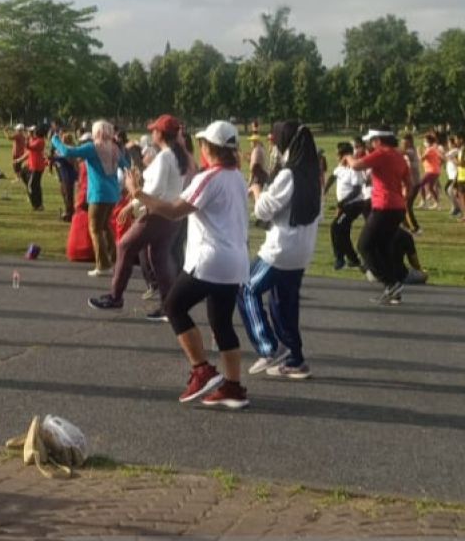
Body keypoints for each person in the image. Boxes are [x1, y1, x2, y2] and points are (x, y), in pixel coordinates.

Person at [128, 120, 250, 409]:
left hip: (210, 259)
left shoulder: (210, 178)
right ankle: (232, 386)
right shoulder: (237, 177)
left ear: (209, 148)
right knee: (221, 323)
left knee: (173, 306)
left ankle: (202, 369)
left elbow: (173, 211)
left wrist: (137, 193)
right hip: (235, 261)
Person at [240, 121, 322, 380]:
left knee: (246, 289)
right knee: (283, 305)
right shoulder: (313, 175)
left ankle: (268, 347)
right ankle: (295, 359)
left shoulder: (289, 174)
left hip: (280, 249)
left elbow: (263, 209)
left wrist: (256, 191)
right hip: (301, 250)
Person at [89, 114, 189, 316]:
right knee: (159, 257)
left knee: (125, 245)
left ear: (161, 134)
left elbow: (155, 191)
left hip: (158, 214)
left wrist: (132, 196)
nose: (151, 132)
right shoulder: (178, 156)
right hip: (171, 215)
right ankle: (169, 306)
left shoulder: (165, 157)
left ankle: (116, 296)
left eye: (154, 130)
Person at [51, 120, 128, 277]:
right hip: (113, 193)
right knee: (106, 226)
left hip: (98, 194)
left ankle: (103, 264)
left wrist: (55, 140)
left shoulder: (93, 148)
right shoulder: (114, 148)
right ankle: (115, 259)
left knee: (95, 229)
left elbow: (67, 152)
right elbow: (126, 164)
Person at [349, 128, 410, 305]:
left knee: (365, 245)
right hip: (398, 207)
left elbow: (356, 165)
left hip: (384, 206)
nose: (370, 144)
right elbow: (410, 183)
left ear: (378, 140)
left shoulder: (381, 153)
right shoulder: (398, 156)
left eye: (372, 140)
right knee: (383, 248)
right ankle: (394, 291)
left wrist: (348, 156)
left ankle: (390, 283)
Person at [325, 142, 367, 271]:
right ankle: (353, 259)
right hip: (345, 205)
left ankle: (339, 259)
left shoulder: (353, 169)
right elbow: (333, 176)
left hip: (354, 204)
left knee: (335, 227)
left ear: (345, 155)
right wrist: (324, 190)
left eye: (338, 154)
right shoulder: (340, 167)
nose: (336, 156)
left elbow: (357, 190)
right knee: (343, 232)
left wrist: (342, 202)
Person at [14, 126, 49, 211]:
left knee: (32, 186)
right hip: (30, 165)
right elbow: (28, 153)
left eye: (34, 131)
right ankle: (37, 202)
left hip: (37, 167)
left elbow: (29, 147)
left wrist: (27, 137)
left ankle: (37, 205)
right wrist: (19, 160)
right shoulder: (34, 140)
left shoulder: (40, 141)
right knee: (24, 175)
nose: (33, 133)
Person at [400, 133, 422, 233]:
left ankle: (415, 227)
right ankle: (405, 225)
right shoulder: (408, 152)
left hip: (414, 183)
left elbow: (403, 152)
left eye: (405, 142)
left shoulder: (411, 151)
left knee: (407, 205)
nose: (403, 143)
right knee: (402, 205)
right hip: (410, 183)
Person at [417, 133, 443, 210]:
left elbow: (421, 159)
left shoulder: (430, 149)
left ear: (428, 142)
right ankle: (438, 204)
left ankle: (424, 202)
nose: (424, 142)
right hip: (434, 171)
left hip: (431, 171)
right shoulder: (431, 149)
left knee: (420, 184)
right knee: (430, 188)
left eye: (425, 141)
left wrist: (418, 151)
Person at [5, 123, 28, 189]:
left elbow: (9, 138)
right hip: (21, 153)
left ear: (19, 130)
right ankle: (19, 177)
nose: (16, 130)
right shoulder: (23, 136)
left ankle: (18, 178)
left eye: (17, 129)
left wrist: (6, 131)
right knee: (18, 166)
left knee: (15, 166)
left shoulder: (18, 135)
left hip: (16, 153)